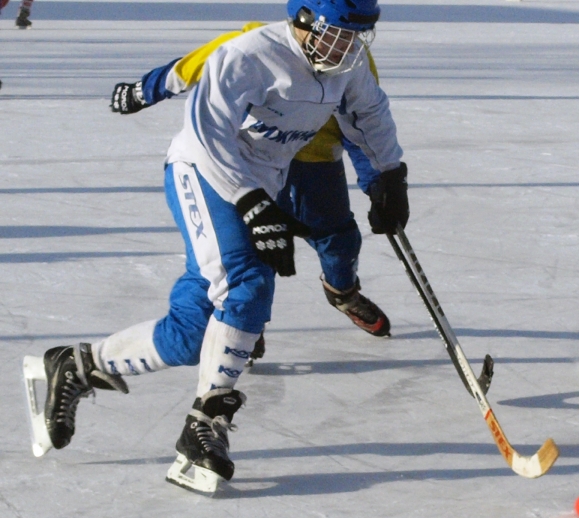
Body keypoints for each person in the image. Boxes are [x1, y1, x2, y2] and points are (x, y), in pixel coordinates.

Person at [26, 0, 410, 493]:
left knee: (192, 334)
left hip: (260, 183)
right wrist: (251, 203)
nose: (348, 47)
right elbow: (208, 135)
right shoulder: (249, 54)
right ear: (304, 20)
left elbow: (370, 114)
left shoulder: (347, 65)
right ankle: (204, 425)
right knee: (247, 284)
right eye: (338, 33)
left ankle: (78, 365)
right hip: (204, 172)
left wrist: (389, 176)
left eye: (357, 36)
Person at [110, 21, 393, 357]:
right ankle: (247, 322)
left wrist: (379, 181)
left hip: (316, 163)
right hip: (254, 160)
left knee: (339, 237)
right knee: (257, 245)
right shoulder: (257, 46)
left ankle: (342, 291)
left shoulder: (354, 57)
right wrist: (142, 92)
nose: (341, 41)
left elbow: (362, 125)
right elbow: (192, 66)